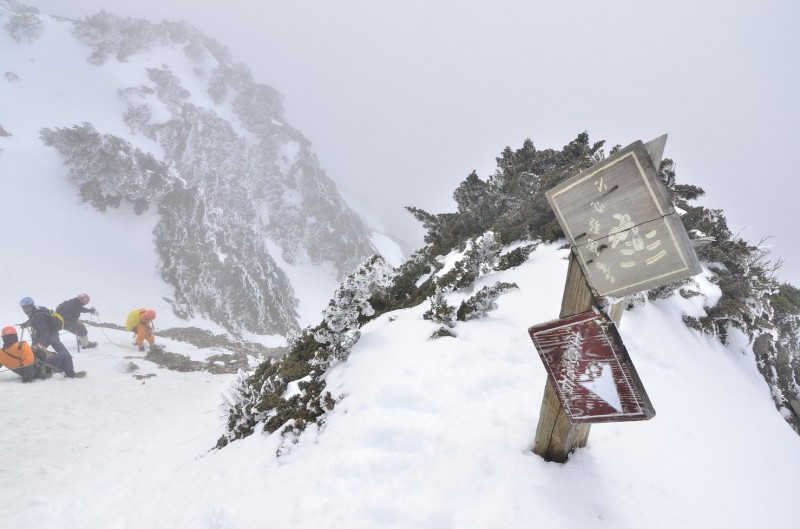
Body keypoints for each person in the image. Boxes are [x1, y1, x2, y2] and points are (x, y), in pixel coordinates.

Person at [19, 297, 85, 378]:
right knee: (62, 350)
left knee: (37, 353)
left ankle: (40, 370)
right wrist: (27, 323)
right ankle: (69, 369)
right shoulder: (38, 309)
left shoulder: (38, 316)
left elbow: (44, 330)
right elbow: (36, 319)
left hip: (48, 336)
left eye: (27, 308)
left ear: (32, 305)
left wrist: (40, 343)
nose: (25, 310)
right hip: (54, 334)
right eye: (23, 308)